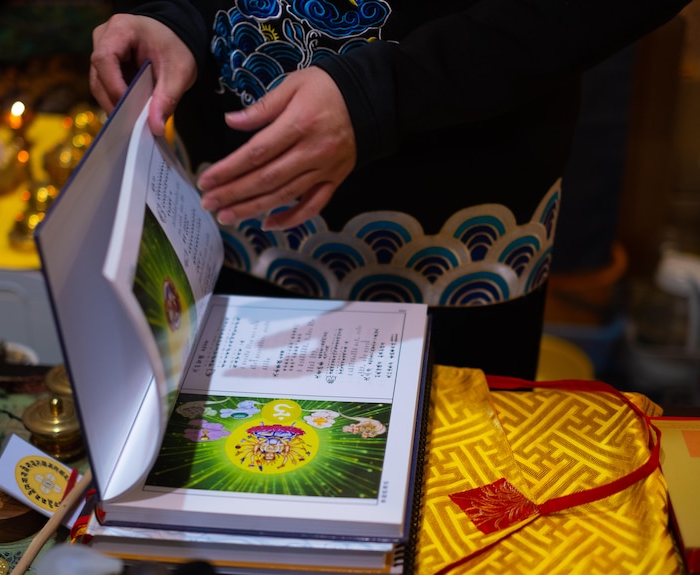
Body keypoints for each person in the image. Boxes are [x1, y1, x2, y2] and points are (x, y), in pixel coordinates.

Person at [89, 0, 691, 380]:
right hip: (221, 217)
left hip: (447, 237)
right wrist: (174, 16)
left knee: (438, 512)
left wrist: (390, 92)